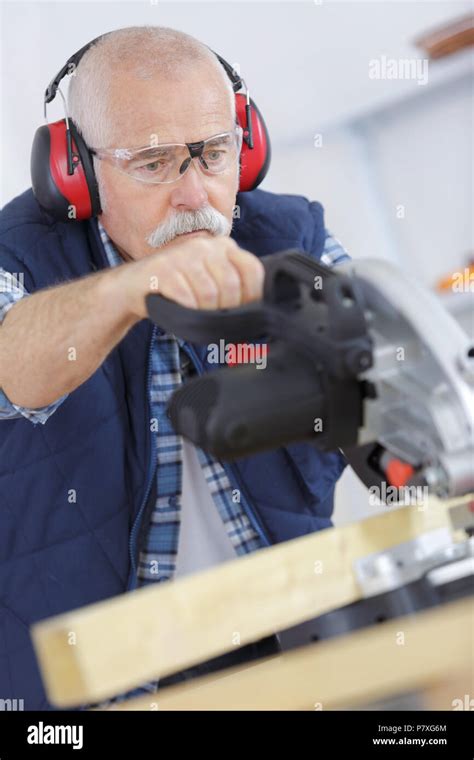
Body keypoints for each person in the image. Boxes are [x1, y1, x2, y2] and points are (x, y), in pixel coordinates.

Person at [0, 26, 349, 709]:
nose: (194, 195)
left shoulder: (292, 233)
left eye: (213, 154)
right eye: (154, 163)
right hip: (97, 686)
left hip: (291, 642)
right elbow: (12, 369)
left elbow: (380, 376)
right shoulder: (18, 255)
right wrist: (130, 290)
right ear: (76, 168)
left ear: (246, 147)